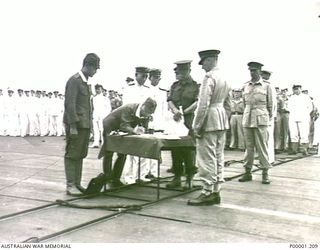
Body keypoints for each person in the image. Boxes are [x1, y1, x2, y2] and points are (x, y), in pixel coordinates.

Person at [187, 49, 231, 206]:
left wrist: (196, 126)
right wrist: (225, 119)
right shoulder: (225, 77)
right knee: (218, 156)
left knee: (206, 157)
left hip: (209, 120)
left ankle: (207, 191)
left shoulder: (209, 77)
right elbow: (228, 104)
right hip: (221, 119)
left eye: (204, 62)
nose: (202, 66)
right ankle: (216, 190)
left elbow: (203, 104)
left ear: (211, 60)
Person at [97, 98, 157, 188]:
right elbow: (124, 125)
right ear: (143, 107)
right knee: (109, 151)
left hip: (122, 128)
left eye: (149, 113)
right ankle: (107, 177)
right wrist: (134, 131)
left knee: (123, 152)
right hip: (110, 124)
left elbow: (144, 126)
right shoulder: (129, 108)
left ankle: (115, 178)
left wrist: (146, 129)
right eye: (146, 112)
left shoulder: (145, 112)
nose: (146, 115)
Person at [63, 53, 100, 196]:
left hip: (84, 125)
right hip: (76, 125)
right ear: (88, 66)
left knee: (80, 154)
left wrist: (89, 126)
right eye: (95, 69)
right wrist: (72, 126)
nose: (95, 72)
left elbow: (87, 106)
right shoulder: (74, 80)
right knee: (72, 154)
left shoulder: (85, 82)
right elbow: (69, 104)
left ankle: (77, 183)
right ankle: (70, 184)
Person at [238, 62, 274, 184]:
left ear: (260, 71)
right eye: (250, 71)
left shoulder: (267, 86)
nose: (252, 73)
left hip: (261, 119)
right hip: (247, 119)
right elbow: (244, 103)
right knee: (248, 147)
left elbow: (271, 105)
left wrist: (267, 119)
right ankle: (247, 171)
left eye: (254, 70)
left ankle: (265, 172)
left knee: (262, 146)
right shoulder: (246, 86)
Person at [166, 60, 199, 189]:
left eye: (180, 72)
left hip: (188, 121)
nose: (177, 74)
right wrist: (175, 110)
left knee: (188, 149)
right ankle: (177, 176)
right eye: (177, 72)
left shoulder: (195, 86)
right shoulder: (174, 86)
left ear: (187, 71)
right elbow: (169, 100)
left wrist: (184, 112)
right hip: (176, 121)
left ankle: (189, 178)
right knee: (175, 148)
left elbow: (197, 102)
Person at [287, 85, 313, 155]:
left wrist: (305, 113)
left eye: (297, 89)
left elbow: (310, 107)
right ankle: (294, 149)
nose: (296, 90)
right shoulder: (291, 98)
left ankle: (304, 149)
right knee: (293, 133)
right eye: (294, 89)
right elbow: (288, 107)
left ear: (301, 89)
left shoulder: (306, 97)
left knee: (304, 133)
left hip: (303, 117)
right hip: (293, 116)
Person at [90, 84, 112, 148]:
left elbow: (108, 108)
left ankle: (103, 143)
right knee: (95, 129)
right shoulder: (94, 98)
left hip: (103, 115)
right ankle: (96, 143)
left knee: (102, 129)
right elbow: (93, 107)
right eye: (96, 89)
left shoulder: (105, 98)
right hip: (95, 115)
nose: (97, 90)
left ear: (101, 89)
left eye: (99, 89)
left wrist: (106, 116)